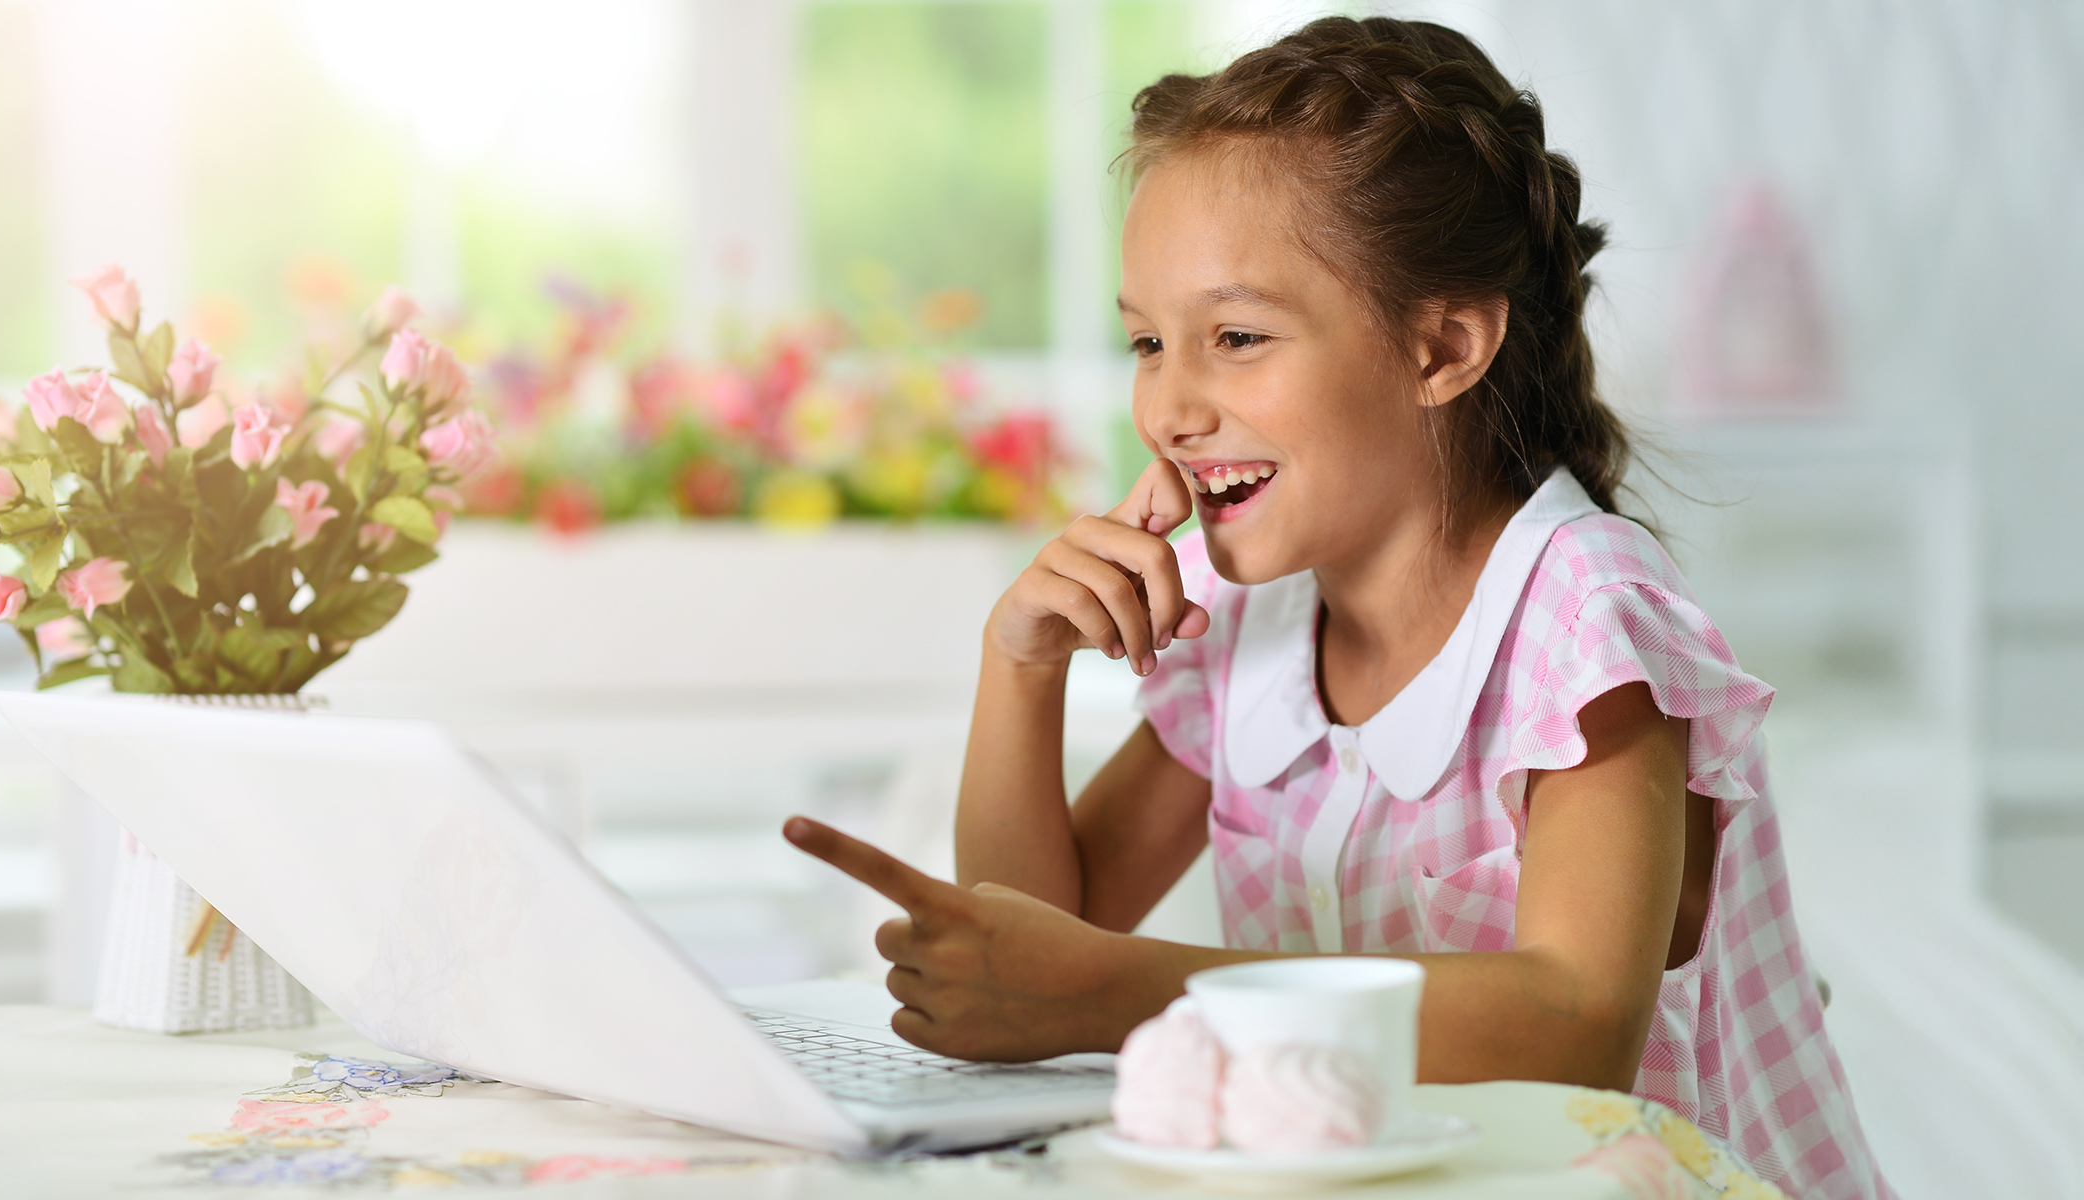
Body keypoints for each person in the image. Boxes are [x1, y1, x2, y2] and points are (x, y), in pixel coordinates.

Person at [783, 16, 1892, 1200]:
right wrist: (1020, 666)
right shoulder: (1245, 619)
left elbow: (1575, 1021)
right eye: (1148, 343)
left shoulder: (1587, 621)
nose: (1168, 407)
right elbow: (1037, 938)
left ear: (1442, 346)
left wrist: (1118, 988)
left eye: (1238, 337)